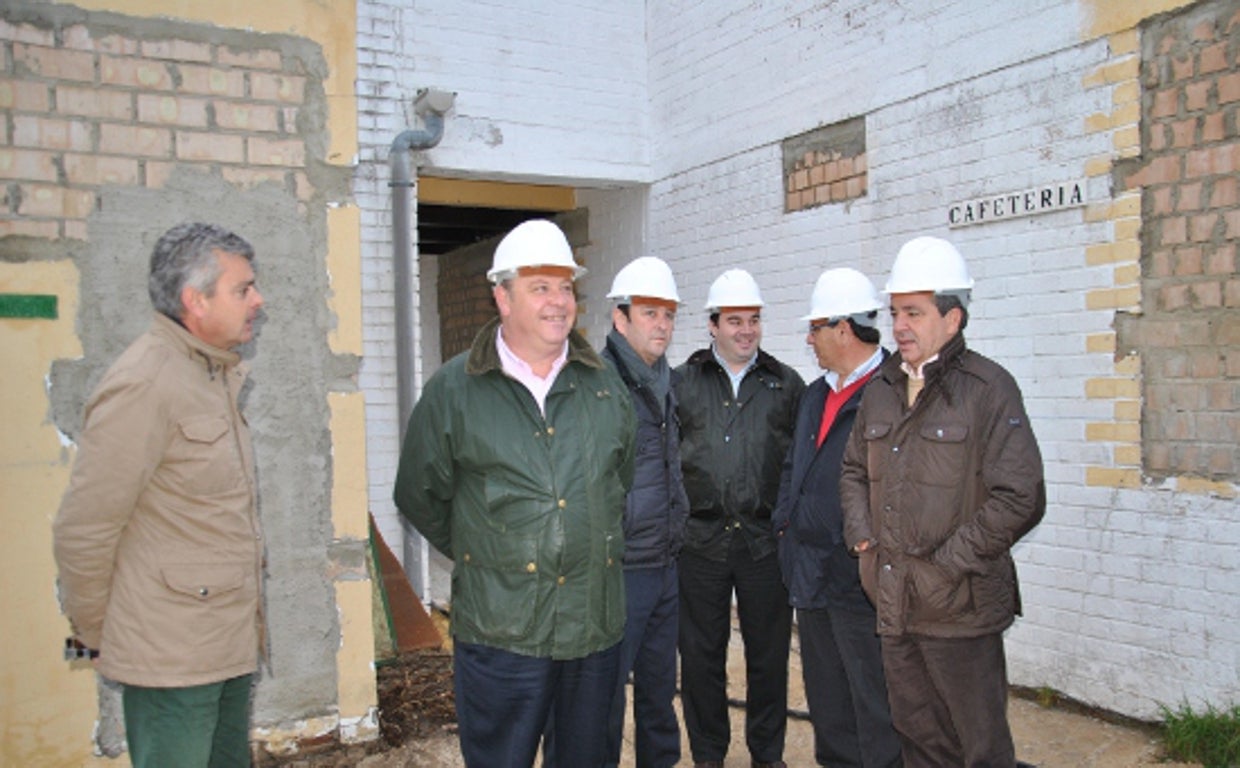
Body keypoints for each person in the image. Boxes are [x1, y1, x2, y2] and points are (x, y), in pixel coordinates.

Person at [393, 219, 635, 768]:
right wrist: (489, 551)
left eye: (566, 287)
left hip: (591, 631)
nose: (558, 302)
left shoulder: (604, 386)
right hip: (501, 633)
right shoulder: (454, 390)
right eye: (540, 287)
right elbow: (419, 493)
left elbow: (619, 480)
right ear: (502, 296)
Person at [53, 222, 266, 768]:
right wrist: (101, 634)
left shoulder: (208, 374)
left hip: (223, 643)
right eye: (242, 289)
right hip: (172, 656)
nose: (257, 300)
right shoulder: (146, 382)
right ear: (195, 300)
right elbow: (85, 526)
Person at [840, 236, 1045, 768]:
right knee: (920, 743)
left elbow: (1021, 495)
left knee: (979, 748)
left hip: (960, 611)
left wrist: (948, 565)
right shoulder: (882, 387)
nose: (899, 326)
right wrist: (862, 536)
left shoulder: (988, 389)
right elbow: (854, 469)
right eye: (894, 313)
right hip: (894, 603)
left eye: (914, 312)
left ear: (952, 319)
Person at [675, 268, 805, 768]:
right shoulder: (682, 383)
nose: (746, 330)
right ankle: (709, 754)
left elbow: (797, 462)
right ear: (713, 326)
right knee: (702, 658)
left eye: (753, 320)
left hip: (762, 544)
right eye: (735, 321)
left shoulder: (784, 385)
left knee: (768, 658)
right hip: (699, 544)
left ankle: (766, 756)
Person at [773, 268, 902, 768]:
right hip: (810, 575)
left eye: (815, 329)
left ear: (843, 329)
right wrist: (785, 526)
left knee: (874, 706)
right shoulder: (814, 394)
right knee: (828, 706)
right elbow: (794, 469)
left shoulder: (893, 392)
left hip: (860, 582)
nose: (809, 339)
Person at [599, 256, 690, 768]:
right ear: (621, 317)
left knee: (659, 692)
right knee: (605, 698)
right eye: (651, 313)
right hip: (621, 568)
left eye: (669, 315)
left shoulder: (663, 379)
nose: (662, 325)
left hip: (664, 561)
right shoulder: (600, 382)